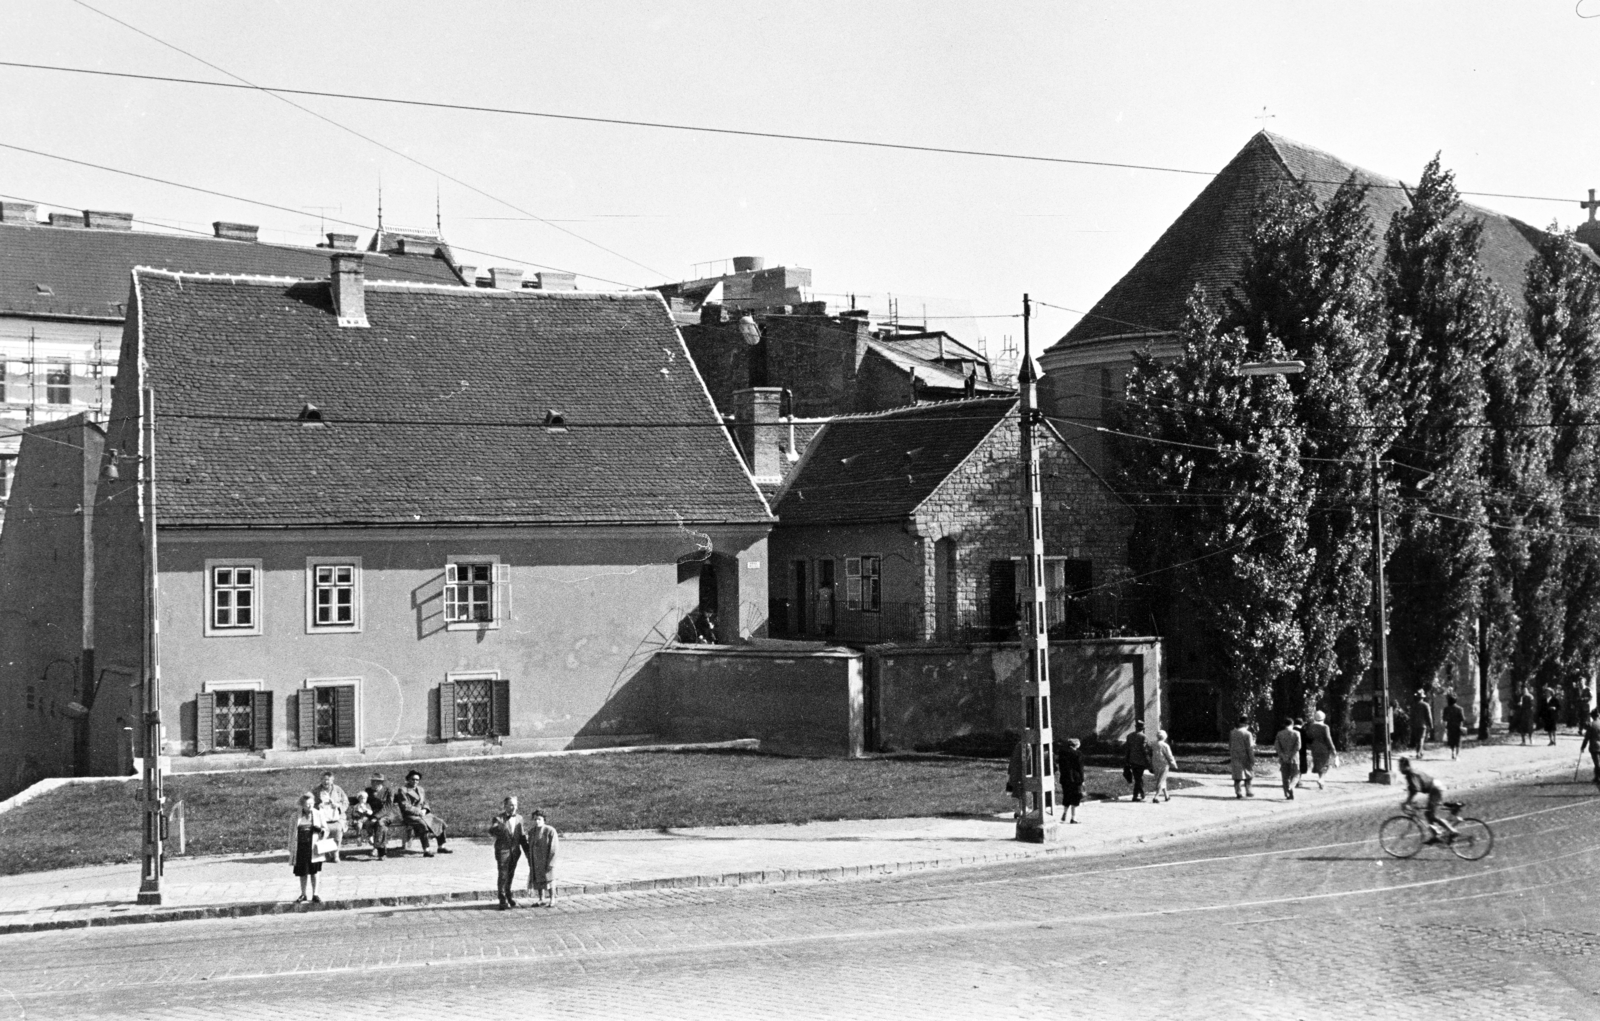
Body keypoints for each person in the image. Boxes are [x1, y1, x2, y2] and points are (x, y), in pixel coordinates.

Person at [1398, 757, 1457, 841]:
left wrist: (1407, 802)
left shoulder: (1412, 774)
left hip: (1435, 789)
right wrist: (1408, 801)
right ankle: (1436, 835)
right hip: (1434, 788)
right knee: (1428, 814)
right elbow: (1412, 790)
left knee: (1432, 815)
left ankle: (1452, 830)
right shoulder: (1409, 775)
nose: (1399, 769)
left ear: (1406, 766)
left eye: (1400, 766)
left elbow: (1415, 789)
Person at [395, 769, 451, 857]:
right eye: (412, 779)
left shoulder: (420, 789)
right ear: (408, 779)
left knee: (439, 822)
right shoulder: (403, 790)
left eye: (417, 780)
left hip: (423, 813)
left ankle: (441, 846)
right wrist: (418, 811)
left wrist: (425, 809)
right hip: (410, 815)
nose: (415, 781)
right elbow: (405, 806)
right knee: (422, 825)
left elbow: (425, 802)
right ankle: (426, 850)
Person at [487, 796, 528, 910]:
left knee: (511, 874)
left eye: (515, 805)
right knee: (503, 875)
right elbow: (492, 831)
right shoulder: (498, 818)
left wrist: (527, 852)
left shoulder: (519, 818)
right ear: (505, 806)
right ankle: (502, 898)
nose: (513, 807)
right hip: (503, 851)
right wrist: (497, 828)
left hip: (515, 852)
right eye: (510, 805)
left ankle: (508, 894)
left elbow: (522, 836)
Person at [288, 792, 326, 904]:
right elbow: (291, 832)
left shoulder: (318, 814)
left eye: (311, 803)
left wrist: (320, 830)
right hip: (301, 847)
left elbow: (326, 829)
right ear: (302, 805)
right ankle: (303, 894)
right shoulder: (295, 816)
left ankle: (315, 894)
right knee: (303, 872)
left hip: (314, 847)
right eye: (306, 804)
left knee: (315, 871)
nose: (309, 806)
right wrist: (291, 847)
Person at [312, 771, 349, 862]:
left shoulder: (338, 789)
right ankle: (327, 853)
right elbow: (310, 803)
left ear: (332, 780)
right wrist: (317, 806)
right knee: (323, 830)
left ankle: (336, 853)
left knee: (337, 829)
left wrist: (338, 807)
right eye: (323, 780)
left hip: (337, 817)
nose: (326, 782)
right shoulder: (316, 791)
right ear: (321, 780)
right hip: (323, 817)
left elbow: (346, 802)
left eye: (328, 780)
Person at [526, 809, 559, 907]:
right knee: (538, 880)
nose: (537, 821)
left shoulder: (550, 831)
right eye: (535, 819)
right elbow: (529, 846)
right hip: (536, 861)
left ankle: (552, 898)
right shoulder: (532, 832)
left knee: (549, 879)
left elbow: (554, 848)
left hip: (546, 861)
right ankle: (541, 898)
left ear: (544, 819)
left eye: (539, 819)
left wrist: (551, 863)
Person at [364, 772, 397, 859]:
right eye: (373, 781)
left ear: (382, 782)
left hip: (387, 814)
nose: (375, 783)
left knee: (381, 823)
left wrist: (376, 817)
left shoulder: (389, 791)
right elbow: (363, 802)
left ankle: (377, 848)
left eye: (378, 782)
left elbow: (388, 806)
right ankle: (382, 852)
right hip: (372, 814)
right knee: (382, 826)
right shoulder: (368, 791)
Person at [1303, 711, 1336, 789]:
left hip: (1314, 747)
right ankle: (1321, 779)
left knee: (1318, 764)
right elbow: (1328, 738)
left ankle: (1322, 781)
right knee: (1326, 764)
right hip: (1324, 747)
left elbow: (1308, 736)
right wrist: (1333, 748)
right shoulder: (1325, 727)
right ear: (1324, 718)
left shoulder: (1311, 727)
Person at [1058, 737, 1085, 824]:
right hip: (1075, 778)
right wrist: (1082, 780)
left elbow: (1060, 766)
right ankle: (1073, 818)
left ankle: (1065, 813)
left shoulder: (1062, 753)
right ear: (1076, 745)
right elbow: (1080, 768)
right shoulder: (1078, 754)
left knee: (1066, 796)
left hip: (1065, 778)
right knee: (1076, 798)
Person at [1274, 719, 1301, 800]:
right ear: (1292, 724)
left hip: (1284, 758)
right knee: (1296, 774)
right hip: (1294, 758)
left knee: (1285, 777)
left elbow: (1277, 746)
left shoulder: (1280, 734)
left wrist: (1282, 755)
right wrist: (1291, 755)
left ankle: (1287, 794)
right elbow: (1298, 746)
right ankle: (1292, 786)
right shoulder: (1296, 733)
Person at [1124, 720, 1150, 802]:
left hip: (1132, 760)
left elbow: (1127, 749)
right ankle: (1137, 795)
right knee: (1138, 778)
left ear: (1136, 727)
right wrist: (1148, 761)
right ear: (1143, 728)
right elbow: (1144, 750)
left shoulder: (1129, 736)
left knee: (1138, 778)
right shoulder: (1143, 737)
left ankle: (1140, 794)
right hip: (1140, 761)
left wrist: (1127, 759)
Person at [1228, 721, 1256, 799]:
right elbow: (1250, 748)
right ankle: (1249, 791)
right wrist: (1252, 758)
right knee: (1249, 775)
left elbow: (1230, 744)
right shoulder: (1247, 734)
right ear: (1246, 725)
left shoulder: (1232, 733)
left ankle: (1238, 792)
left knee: (1237, 776)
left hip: (1235, 756)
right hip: (1245, 756)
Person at [1148, 729, 1177, 804]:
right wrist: (1173, 764)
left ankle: (1166, 796)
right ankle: (1156, 797)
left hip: (1155, 763)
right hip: (1163, 764)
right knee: (1161, 780)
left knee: (1161, 779)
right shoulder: (1165, 745)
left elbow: (1150, 753)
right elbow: (1169, 755)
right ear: (1164, 737)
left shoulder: (1153, 744)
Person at [1442, 693, 1465, 760]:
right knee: (1457, 741)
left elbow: (1444, 719)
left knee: (1451, 740)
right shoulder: (1460, 709)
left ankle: (1452, 752)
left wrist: (1445, 727)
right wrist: (1461, 726)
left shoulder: (1446, 709)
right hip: (1457, 727)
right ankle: (1457, 755)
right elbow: (1462, 719)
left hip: (1450, 727)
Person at [1581, 709, 1600, 791]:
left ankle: (1598, 777)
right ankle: (1597, 777)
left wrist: (1583, 747)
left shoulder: (1591, 725)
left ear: (1592, 716)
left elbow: (1586, 738)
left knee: (1597, 763)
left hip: (1594, 746)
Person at [1409, 691, 1430, 758]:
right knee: (1421, 738)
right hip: (1422, 725)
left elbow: (1411, 715)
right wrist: (1430, 725)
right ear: (1422, 697)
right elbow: (1429, 716)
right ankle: (1418, 753)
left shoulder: (1413, 705)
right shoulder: (1426, 705)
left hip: (1414, 724)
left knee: (1417, 739)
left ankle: (1420, 752)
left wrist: (1411, 724)